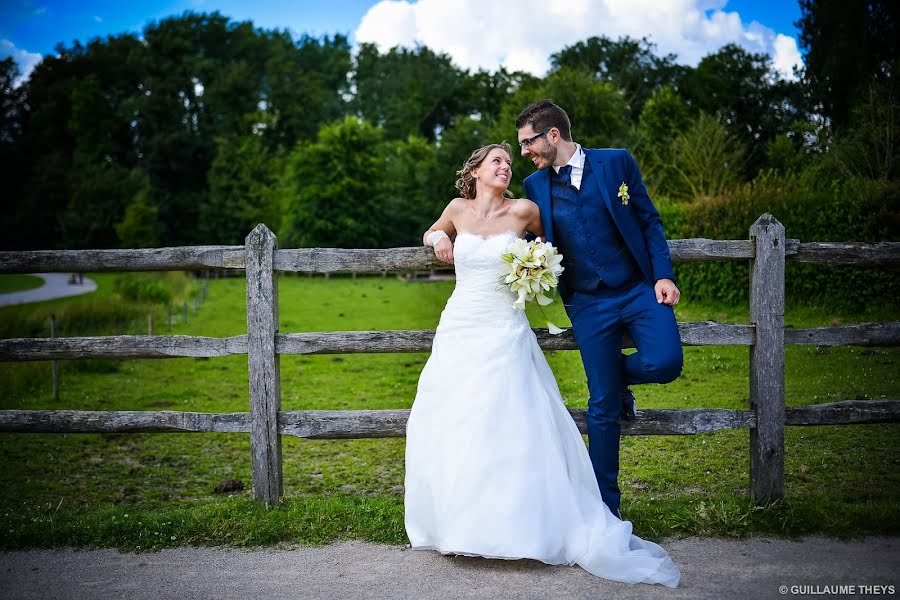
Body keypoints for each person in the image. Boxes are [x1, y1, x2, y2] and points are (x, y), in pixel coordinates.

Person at [404, 142, 680, 587]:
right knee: (457, 418)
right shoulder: (457, 208)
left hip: (504, 327)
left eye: (510, 162)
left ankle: (519, 524)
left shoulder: (526, 210)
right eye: (497, 160)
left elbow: (558, 243)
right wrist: (438, 239)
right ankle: (459, 522)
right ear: (475, 170)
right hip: (460, 324)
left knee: (509, 419)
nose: (506, 166)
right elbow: (432, 231)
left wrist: (538, 269)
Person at [516, 100, 683, 519]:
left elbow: (649, 220)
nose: (525, 152)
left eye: (528, 142)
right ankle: (605, 510)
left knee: (665, 363)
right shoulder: (534, 186)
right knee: (602, 405)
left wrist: (664, 275)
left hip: (638, 289)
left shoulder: (616, 163)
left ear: (553, 135)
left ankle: (616, 374)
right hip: (588, 302)